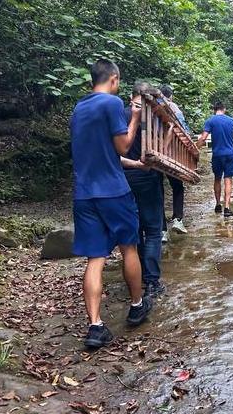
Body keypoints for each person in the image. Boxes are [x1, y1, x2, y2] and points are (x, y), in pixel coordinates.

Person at [70, 59, 152, 349]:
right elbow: (122, 145)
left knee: (95, 258)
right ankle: (137, 305)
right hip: (113, 192)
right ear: (114, 79)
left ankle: (95, 326)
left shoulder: (79, 108)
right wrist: (135, 118)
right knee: (129, 246)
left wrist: (136, 165)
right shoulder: (112, 104)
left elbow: (106, 155)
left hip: (84, 194)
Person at [121, 82, 166, 298]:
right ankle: (152, 280)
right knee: (154, 231)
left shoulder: (119, 114)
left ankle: (135, 276)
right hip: (147, 178)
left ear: (131, 96)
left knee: (135, 230)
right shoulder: (155, 116)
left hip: (123, 180)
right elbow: (162, 149)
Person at [196, 102, 233, 217]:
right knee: (228, 179)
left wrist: (195, 149)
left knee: (217, 179)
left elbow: (203, 138)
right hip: (230, 155)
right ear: (224, 109)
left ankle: (217, 205)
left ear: (214, 110)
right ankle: (227, 207)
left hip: (217, 155)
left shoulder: (210, 121)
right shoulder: (231, 120)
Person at [159, 85, 188, 236]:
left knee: (158, 190)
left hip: (153, 153)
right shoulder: (174, 108)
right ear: (170, 96)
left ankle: (162, 229)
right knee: (177, 186)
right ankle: (178, 219)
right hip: (172, 154)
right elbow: (184, 130)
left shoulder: (151, 107)